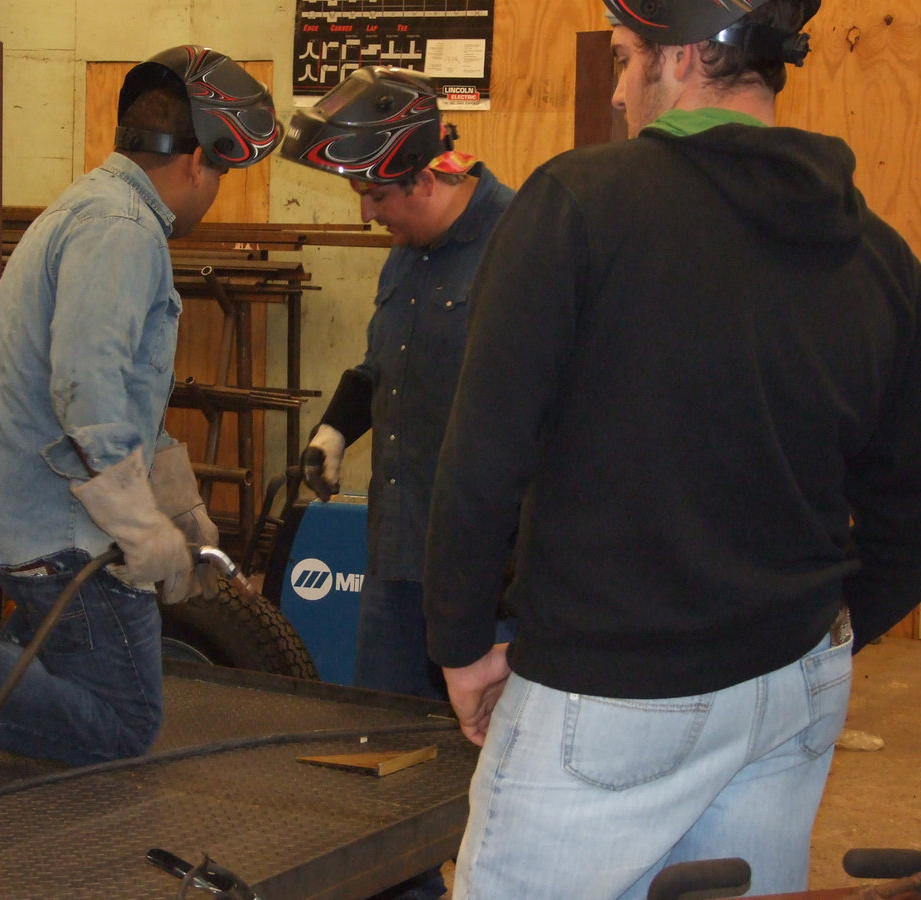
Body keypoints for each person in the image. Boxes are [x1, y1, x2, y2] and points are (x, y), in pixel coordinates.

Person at [422, 1, 921, 897]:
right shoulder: (879, 254)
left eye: (623, 59)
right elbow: (909, 504)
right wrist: (825, 633)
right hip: (795, 686)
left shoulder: (579, 202)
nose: (616, 92)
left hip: (615, 685)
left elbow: (482, 459)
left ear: (685, 55)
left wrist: (459, 646)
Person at [0, 45, 280, 766]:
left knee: (65, 667)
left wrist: (178, 507)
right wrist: (137, 525)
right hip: (52, 524)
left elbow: (126, 392)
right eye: (222, 173)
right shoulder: (124, 232)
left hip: (11, 504)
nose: (214, 190)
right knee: (124, 721)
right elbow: (87, 391)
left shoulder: (94, 204)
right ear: (197, 162)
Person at [280, 66, 515, 900]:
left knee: (497, 776)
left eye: (377, 197)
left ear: (422, 174)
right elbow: (385, 364)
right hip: (396, 559)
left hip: (491, 577)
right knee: (378, 767)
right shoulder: (403, 256)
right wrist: (337, 427)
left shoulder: (521, 248)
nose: (367, 214)